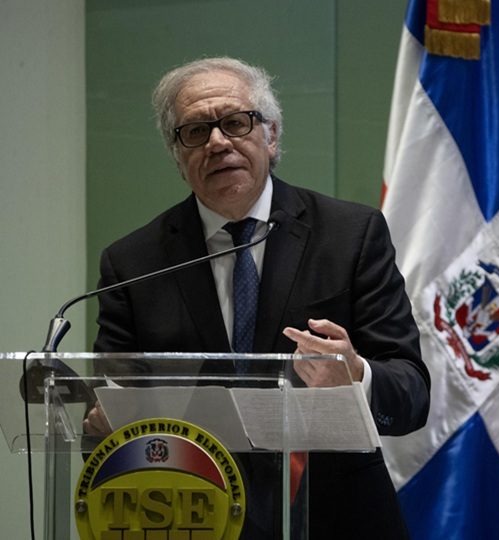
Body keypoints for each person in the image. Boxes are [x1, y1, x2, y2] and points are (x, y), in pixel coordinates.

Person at [82, 57, 430, 539]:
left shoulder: (351, 235)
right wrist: (102, 420)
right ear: (177, 155)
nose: (217, 142)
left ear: (271, 135)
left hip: (334, 517)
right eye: (195, 131)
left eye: (235, 122)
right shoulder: (134, 263)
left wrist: (356, 375)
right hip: (190, 517)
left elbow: (412, 394)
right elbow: (103, 414)